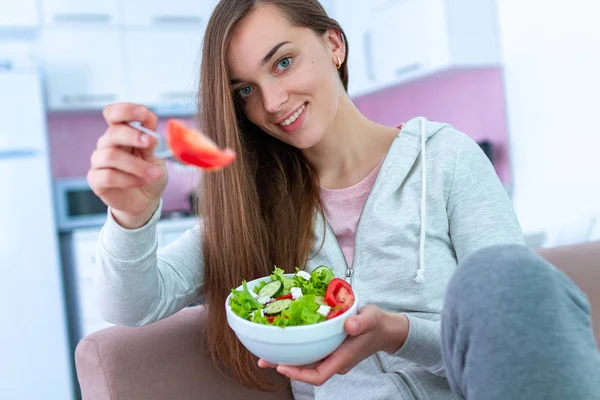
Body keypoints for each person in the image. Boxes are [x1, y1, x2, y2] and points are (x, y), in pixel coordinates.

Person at [88, 1, 600, 399]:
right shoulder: (251, 206)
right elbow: (130, 306)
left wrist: (398, 333)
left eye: (283, 62)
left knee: (511, 277)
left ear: (334, 44)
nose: (271, 102)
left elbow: (507, 333)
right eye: (244, 90)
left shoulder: (445, 159)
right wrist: (132, 215)